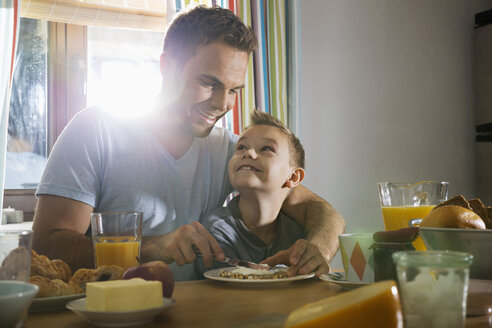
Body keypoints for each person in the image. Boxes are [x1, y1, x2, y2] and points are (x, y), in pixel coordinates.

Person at [32, 6, 345, 281]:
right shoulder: (95, 130)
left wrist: (317, 248)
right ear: (167, 66)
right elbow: (47, 243)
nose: (222, 104)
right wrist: (153, 246)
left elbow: (322, 212)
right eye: (209, 83)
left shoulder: (229, 150)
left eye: (234, 90)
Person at [195, 111, 331, 278]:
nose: (248, 153)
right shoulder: (217, 233)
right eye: (241, 147)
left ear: (293, 177)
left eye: (266, 148)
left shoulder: (297, 234)